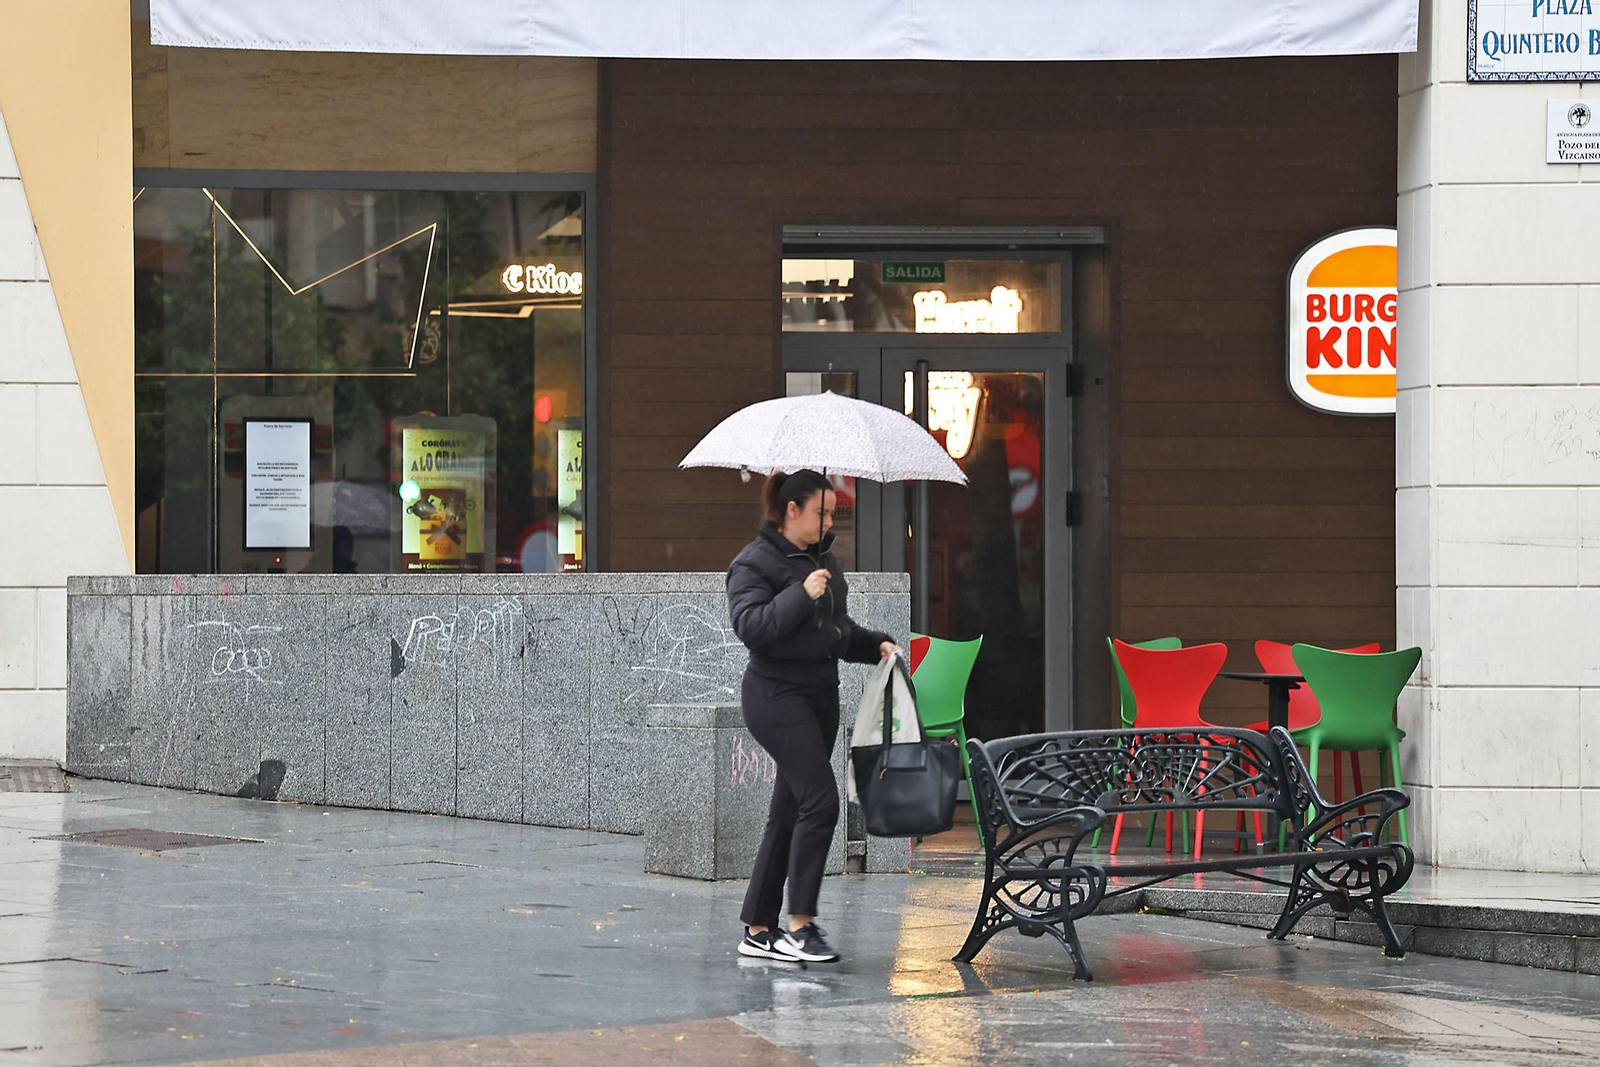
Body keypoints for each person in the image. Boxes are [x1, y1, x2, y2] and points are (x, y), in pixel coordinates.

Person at [725, 469, 899, 964]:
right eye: (821, 512)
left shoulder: (823, 560)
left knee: (787, 812)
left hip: (819, 697)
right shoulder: (752, 563)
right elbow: (753, 627)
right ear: (791, 510)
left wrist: (875, 645)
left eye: (832, 513)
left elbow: (837, 631)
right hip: (775, 697)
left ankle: (758, 929)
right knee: (821, 803)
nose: (828, 522)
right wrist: (801, 593)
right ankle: (801, 924)